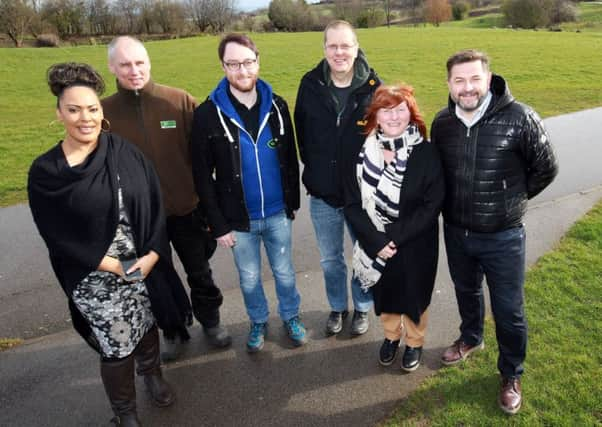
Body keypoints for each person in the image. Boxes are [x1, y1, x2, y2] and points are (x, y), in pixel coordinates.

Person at [28, 63, 192, 426]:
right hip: (94, 274)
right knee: (118, 343)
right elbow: (56, 234)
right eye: (73, 109)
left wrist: (152, 253)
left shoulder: (123, 152)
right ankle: (125, 413)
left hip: (142, 263)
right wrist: (112, 265)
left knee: (148, 322)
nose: (84, 118)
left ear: (101, 112)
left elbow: (152, 203)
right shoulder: (47, 172)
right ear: (59, 113)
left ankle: (152, 375)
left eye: (92, 108)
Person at [431, 49, 558, 414]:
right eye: (459, 80)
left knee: (509, 310)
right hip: (457, 233)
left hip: (503, 237)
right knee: (466, 292)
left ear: (488, 79)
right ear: (449, 84)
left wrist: (511, 199)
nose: (467, 88)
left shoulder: (522, 118)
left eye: (474, 79)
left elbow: (546, 168)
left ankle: (511, 373)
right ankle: (471, 338)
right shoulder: (442, 124)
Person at [101, 36, 231, 359]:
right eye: (126, 65)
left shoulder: (179, 102)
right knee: (155, 280)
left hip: (186, 209)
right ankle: (173, 329)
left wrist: (210, 206)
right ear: (112, 68)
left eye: (140, 63)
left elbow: (206, 158)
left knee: (199, 271)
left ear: (149, 62)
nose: (134, 71)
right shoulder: (103, 113)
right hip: (140, 220)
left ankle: (211, 321)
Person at [190, 33, 305, 353]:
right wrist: (217, 224)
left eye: (247, 62)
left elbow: (290, 158)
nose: (242, 71)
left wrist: (292, 203)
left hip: (278, 212)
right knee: (250, 278)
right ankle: (257, 321)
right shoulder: (207, 114)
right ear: (223, 66)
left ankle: (291, 316)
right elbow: (202, 176)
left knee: (284, 272)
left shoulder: (278, 105)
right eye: (233, 64)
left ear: (258, 61)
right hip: (237, 220)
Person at [343, 84, 444, 371]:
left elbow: (432, 203)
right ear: (375, 115)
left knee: (415, 293)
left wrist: (395, 237)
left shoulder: (426, 152)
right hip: (374, 239)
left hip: (416, 240)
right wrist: (375, 241)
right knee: (385, 294)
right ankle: (391, 336)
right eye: (387, 110)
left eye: (401, 110)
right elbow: (352, 203)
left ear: (411, 115)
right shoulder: (361, 152)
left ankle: (414, 341)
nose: (394, 117)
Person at [294, 20, 380, 336]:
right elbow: (301, 132)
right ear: (325, 49)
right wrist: (316, 170)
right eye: (333, 46)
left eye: (345, 45)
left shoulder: (374, 88)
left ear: (356, 48)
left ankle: (361, 308)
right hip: (324, 196)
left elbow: (385, 139)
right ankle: (337, 307)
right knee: (331, 261)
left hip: (361, 197)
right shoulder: (310, 84)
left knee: (363, 256)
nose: (339, 52)